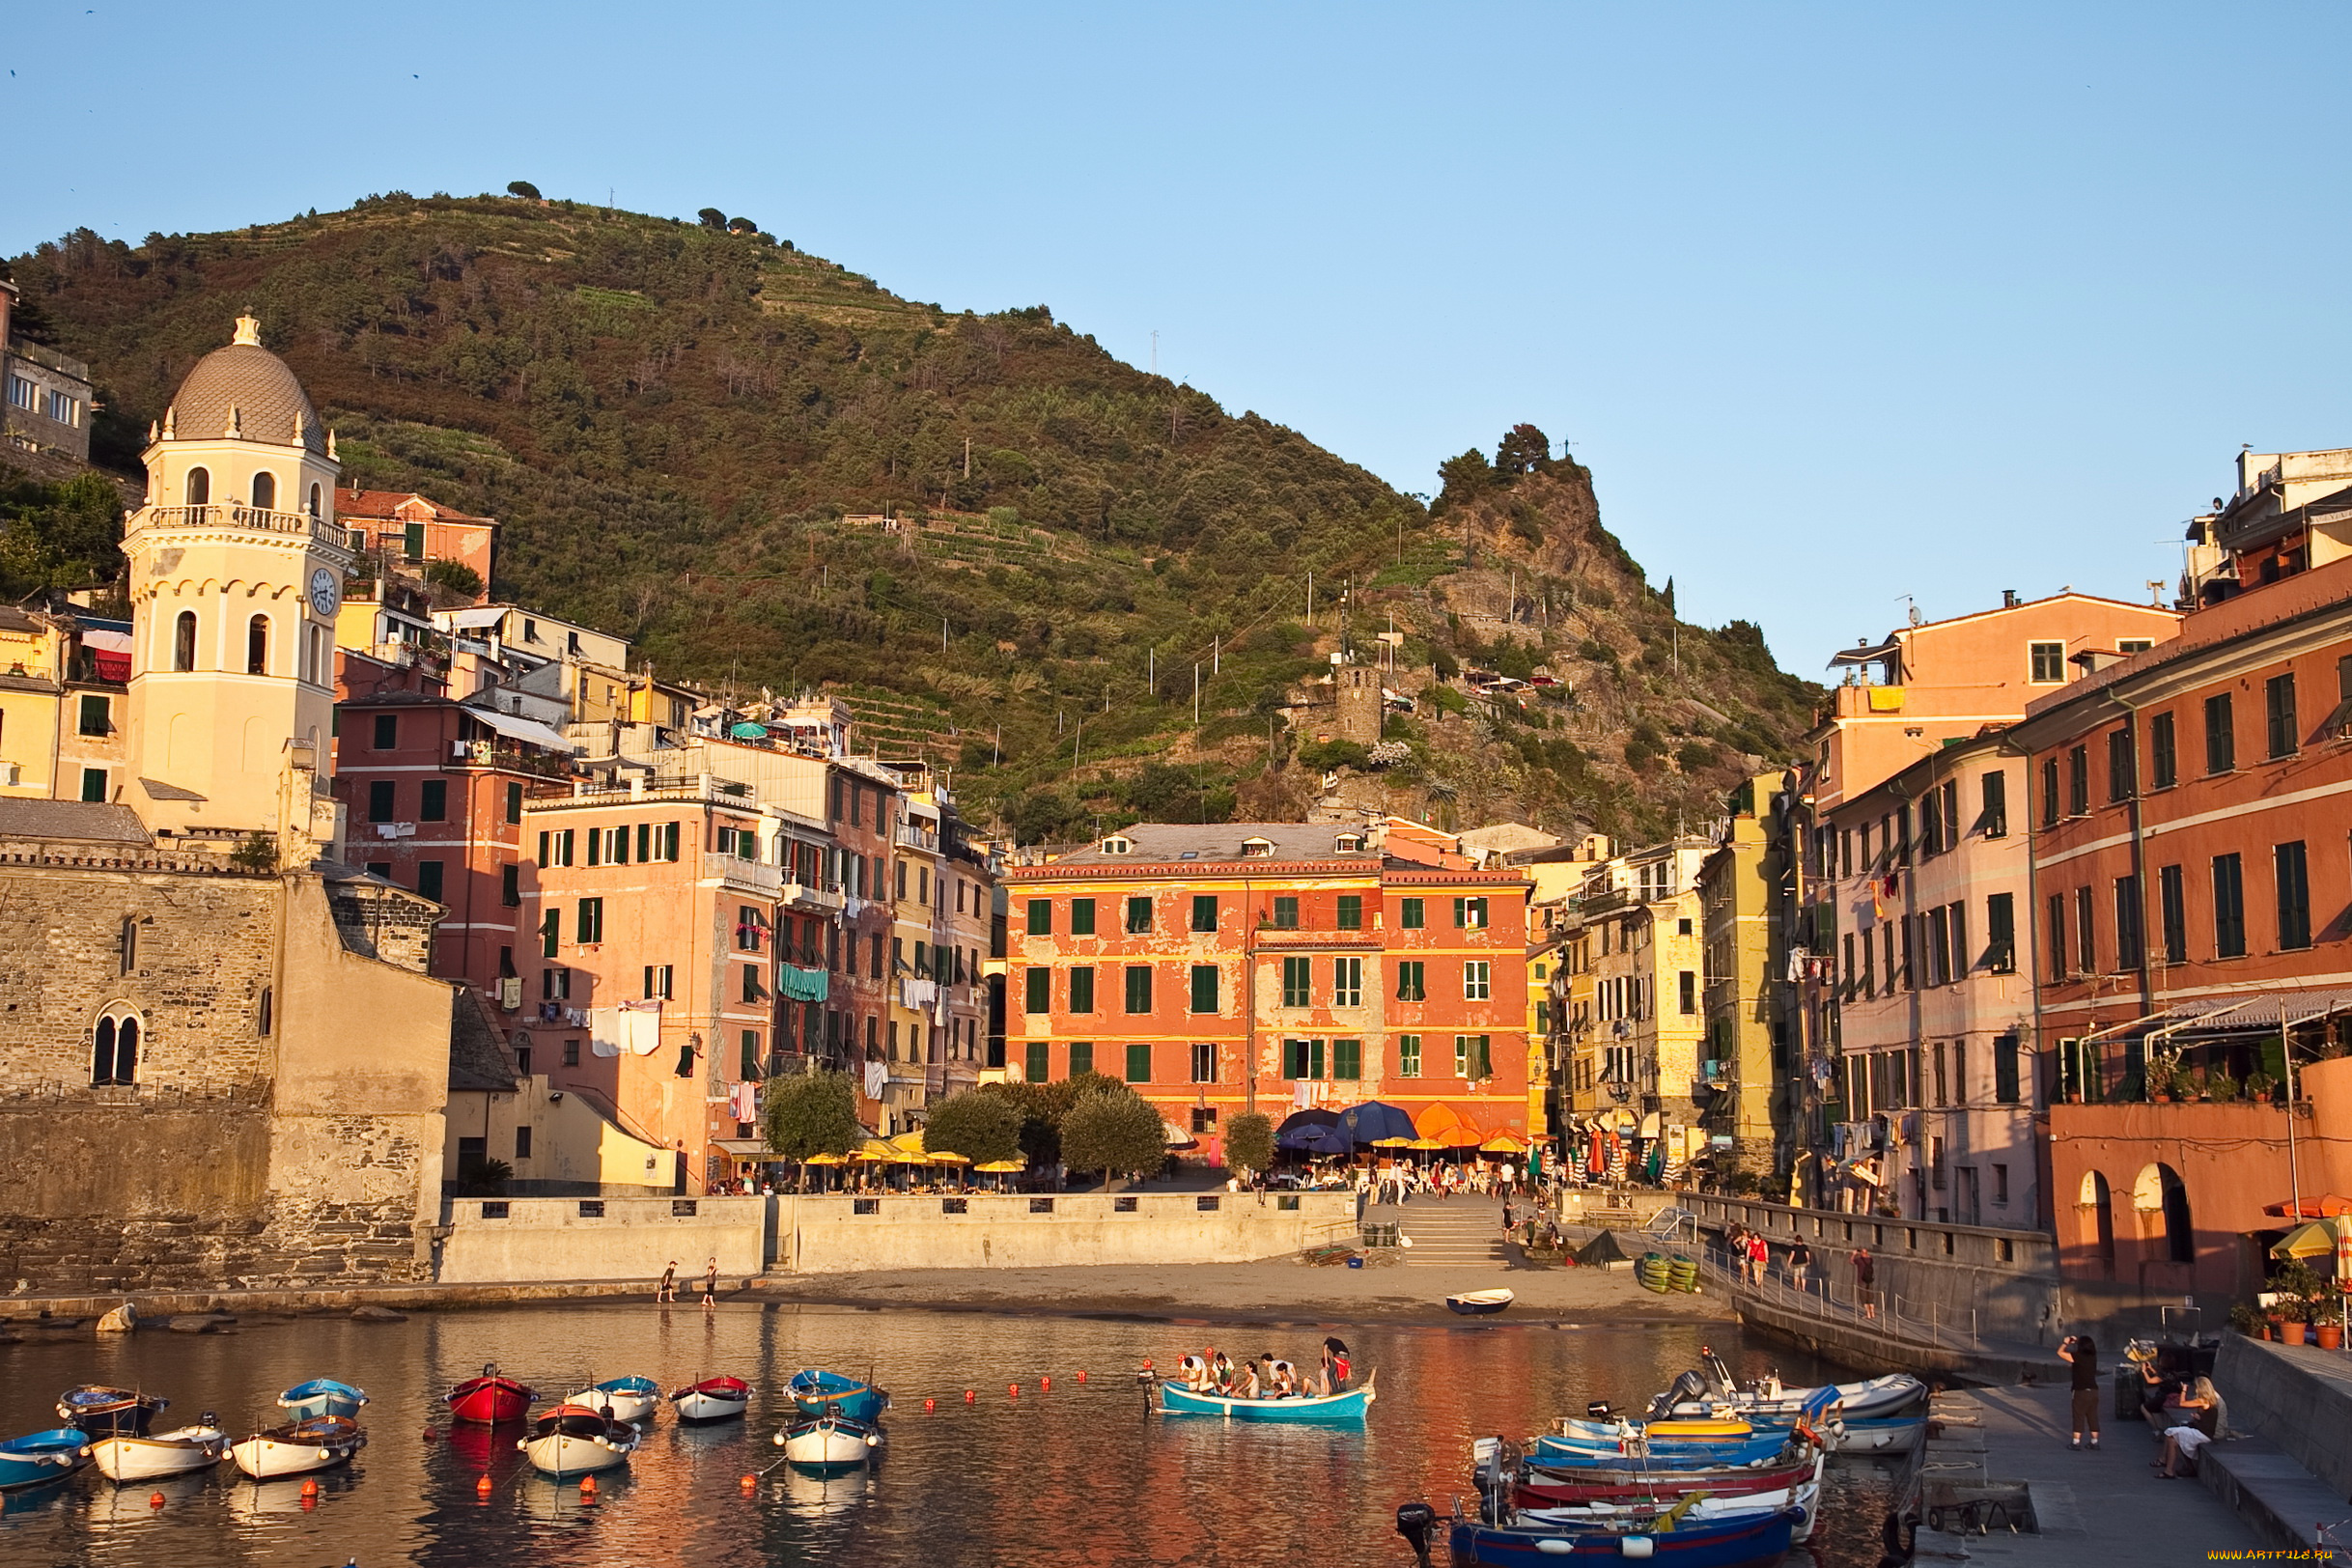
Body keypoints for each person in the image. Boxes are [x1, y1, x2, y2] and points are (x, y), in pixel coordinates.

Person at [2155, 1376, 2226, 1477]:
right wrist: (2199, 1418)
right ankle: (2175, 1469)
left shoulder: (2202, 1400)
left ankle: (2167, 1466)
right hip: (2203, 1432)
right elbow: (2209, 1418)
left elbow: (2182, 1403)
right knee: (2173, 1441)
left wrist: (2184, 1390)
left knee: (2171, 1432)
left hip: (2202, 1434)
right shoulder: (2211, 1400)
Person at [2058, 1332, 2100, 1449]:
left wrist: (2066, 1343)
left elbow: (2060, 1353)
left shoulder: (2077, 1357)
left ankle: (2076, 1442)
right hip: (2094, 1390)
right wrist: (2077, 1341)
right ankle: (2094, 1442)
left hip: (2080, 1391)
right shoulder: (2093, 1356)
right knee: (2092, 1416)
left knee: (2078, 1415)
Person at [1850, 1246, 1877, 1319]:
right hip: (1869, 1281)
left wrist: (1854, 1254)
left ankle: (1868, 1314)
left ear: (1861, 1253)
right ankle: (1873, 1313)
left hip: (1861, 1281)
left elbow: (1851, 1261)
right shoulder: (1871, 1260)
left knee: (1863, 1297)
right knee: (1870, 1297)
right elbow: (1868, 1256)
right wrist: (1865, 1253)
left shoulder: (1859, 1260)